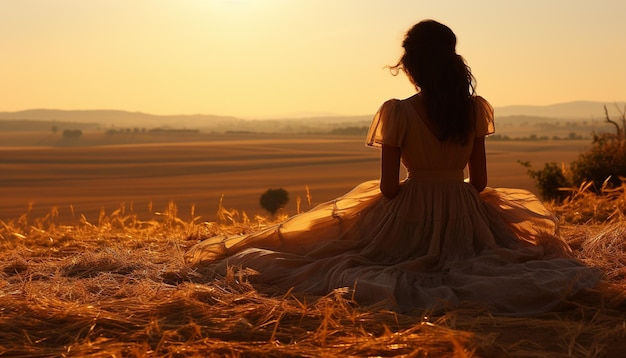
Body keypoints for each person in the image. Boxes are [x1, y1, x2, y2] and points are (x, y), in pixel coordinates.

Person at [186, 20, 600, 315]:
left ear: (413, 65)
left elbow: (387, 187)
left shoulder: (397, 112)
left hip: (411, 203)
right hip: (464, 206)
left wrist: (408, 212)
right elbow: (481, 182)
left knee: (342, 254)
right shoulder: (474, 109)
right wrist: (457, 209)